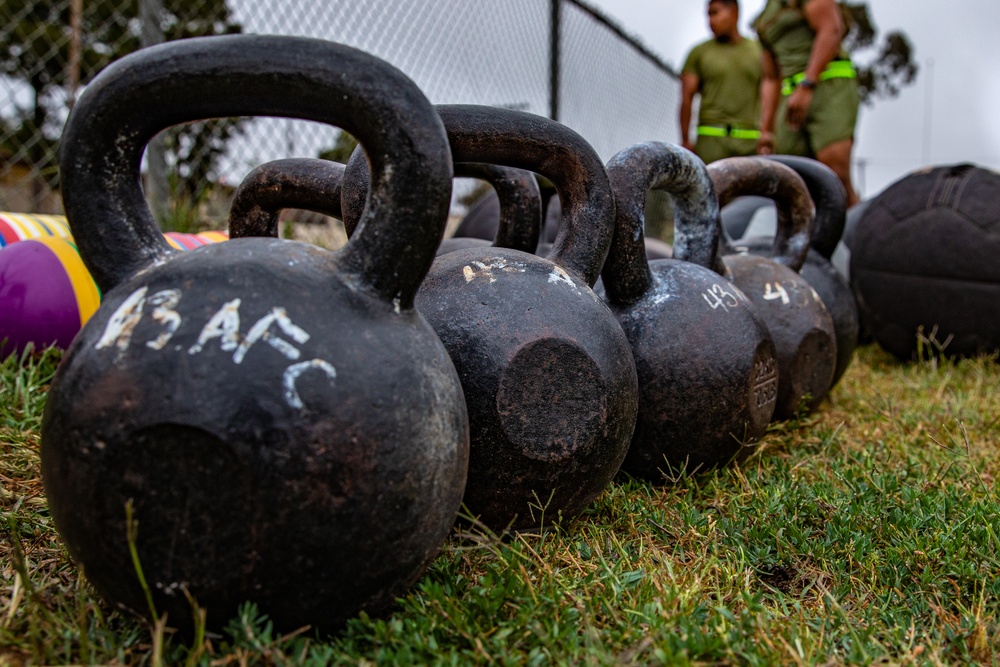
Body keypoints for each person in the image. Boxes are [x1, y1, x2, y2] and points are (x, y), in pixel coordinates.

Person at [755, 0, 861, 205]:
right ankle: (805, 235)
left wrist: (807, 85)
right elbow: (770, 77)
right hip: (791, 96)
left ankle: (854, 233)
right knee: (793, 178)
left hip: (828, 87)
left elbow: (831, 29)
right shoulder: (765, 18)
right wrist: (766, 130)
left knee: (835, 175)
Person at [679, 0, 763, 164]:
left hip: (749, 144)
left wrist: (767, 132)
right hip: (710, 145)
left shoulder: (758, 51)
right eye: (708, 15)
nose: (711, 21)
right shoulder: (699, 53)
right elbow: (686, 97)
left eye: (715, 13)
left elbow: (770, 93)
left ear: (734, 12)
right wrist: (685, 140)